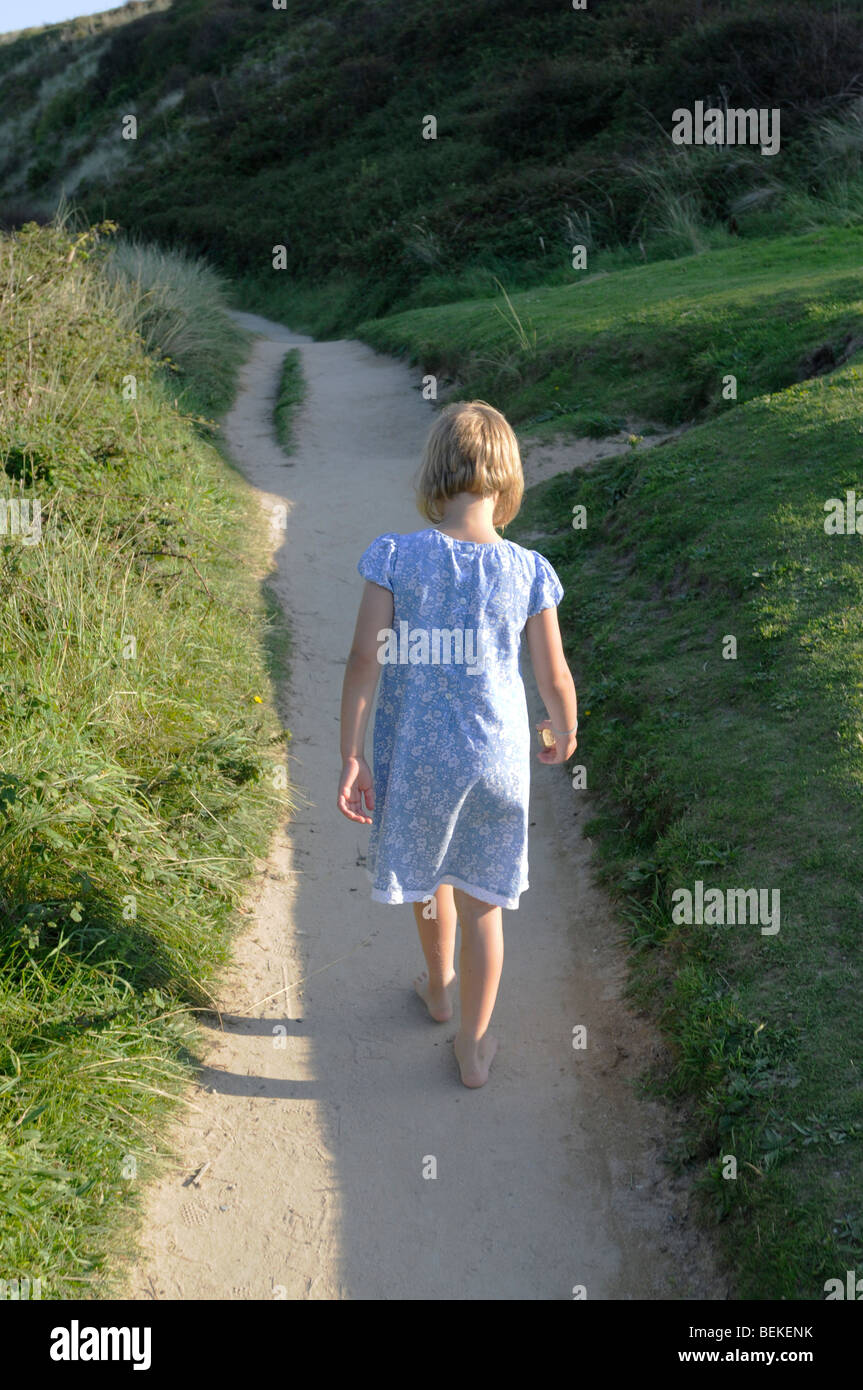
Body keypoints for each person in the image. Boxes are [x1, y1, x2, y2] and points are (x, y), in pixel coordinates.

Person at [337, 400, 578, 1088]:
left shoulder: (395, 557)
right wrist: (564, 729)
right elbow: (553, 673)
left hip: (416, 758)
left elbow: (363, 660)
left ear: (434, 477)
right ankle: (473, 1048)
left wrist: (352, 751)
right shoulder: (528, 570)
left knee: (425, 876)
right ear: (506, 484)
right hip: (497, 762)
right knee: (481, 903)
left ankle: (438, 989)